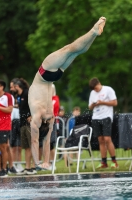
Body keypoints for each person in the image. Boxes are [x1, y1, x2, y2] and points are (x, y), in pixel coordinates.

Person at [28, 17, 106, 170]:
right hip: (44, 74)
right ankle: (93, 31)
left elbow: (41, 141)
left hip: (55, 75)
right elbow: (37, 142)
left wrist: (42, 163)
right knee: (70, 49)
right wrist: (40, 162)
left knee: (77, 51)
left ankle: (95, 33)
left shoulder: (48, 118)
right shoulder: (40, 114)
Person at [88, 77, 118, 168]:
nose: (95, 90)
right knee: (100, 140)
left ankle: (114, 161)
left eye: (96, 88)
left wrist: (102, 102)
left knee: (107, 139)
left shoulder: (108, 89)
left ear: (99, 83)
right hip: (96, 117)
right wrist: (93, 104)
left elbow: (115, 103)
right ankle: (104, 162)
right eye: (94, 89)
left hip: (106, 116)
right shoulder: (92, 93)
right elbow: (89, 107)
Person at [11, 78, 36, 175]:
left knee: (32, 145)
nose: (12, 89)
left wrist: (32, 115)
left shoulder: (27, 93)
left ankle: (33, 166)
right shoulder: (19, 96)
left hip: (30, 124)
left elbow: (35, 105)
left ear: (17, 86)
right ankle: (27, 167)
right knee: (26, 147)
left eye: (13, 87)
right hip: (23, 123)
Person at [0, 79, 14, 177]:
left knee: (3, 148)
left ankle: (4, 168)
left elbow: (9, 109)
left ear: (1, 87)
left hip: (4, 125)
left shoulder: (8, 96)